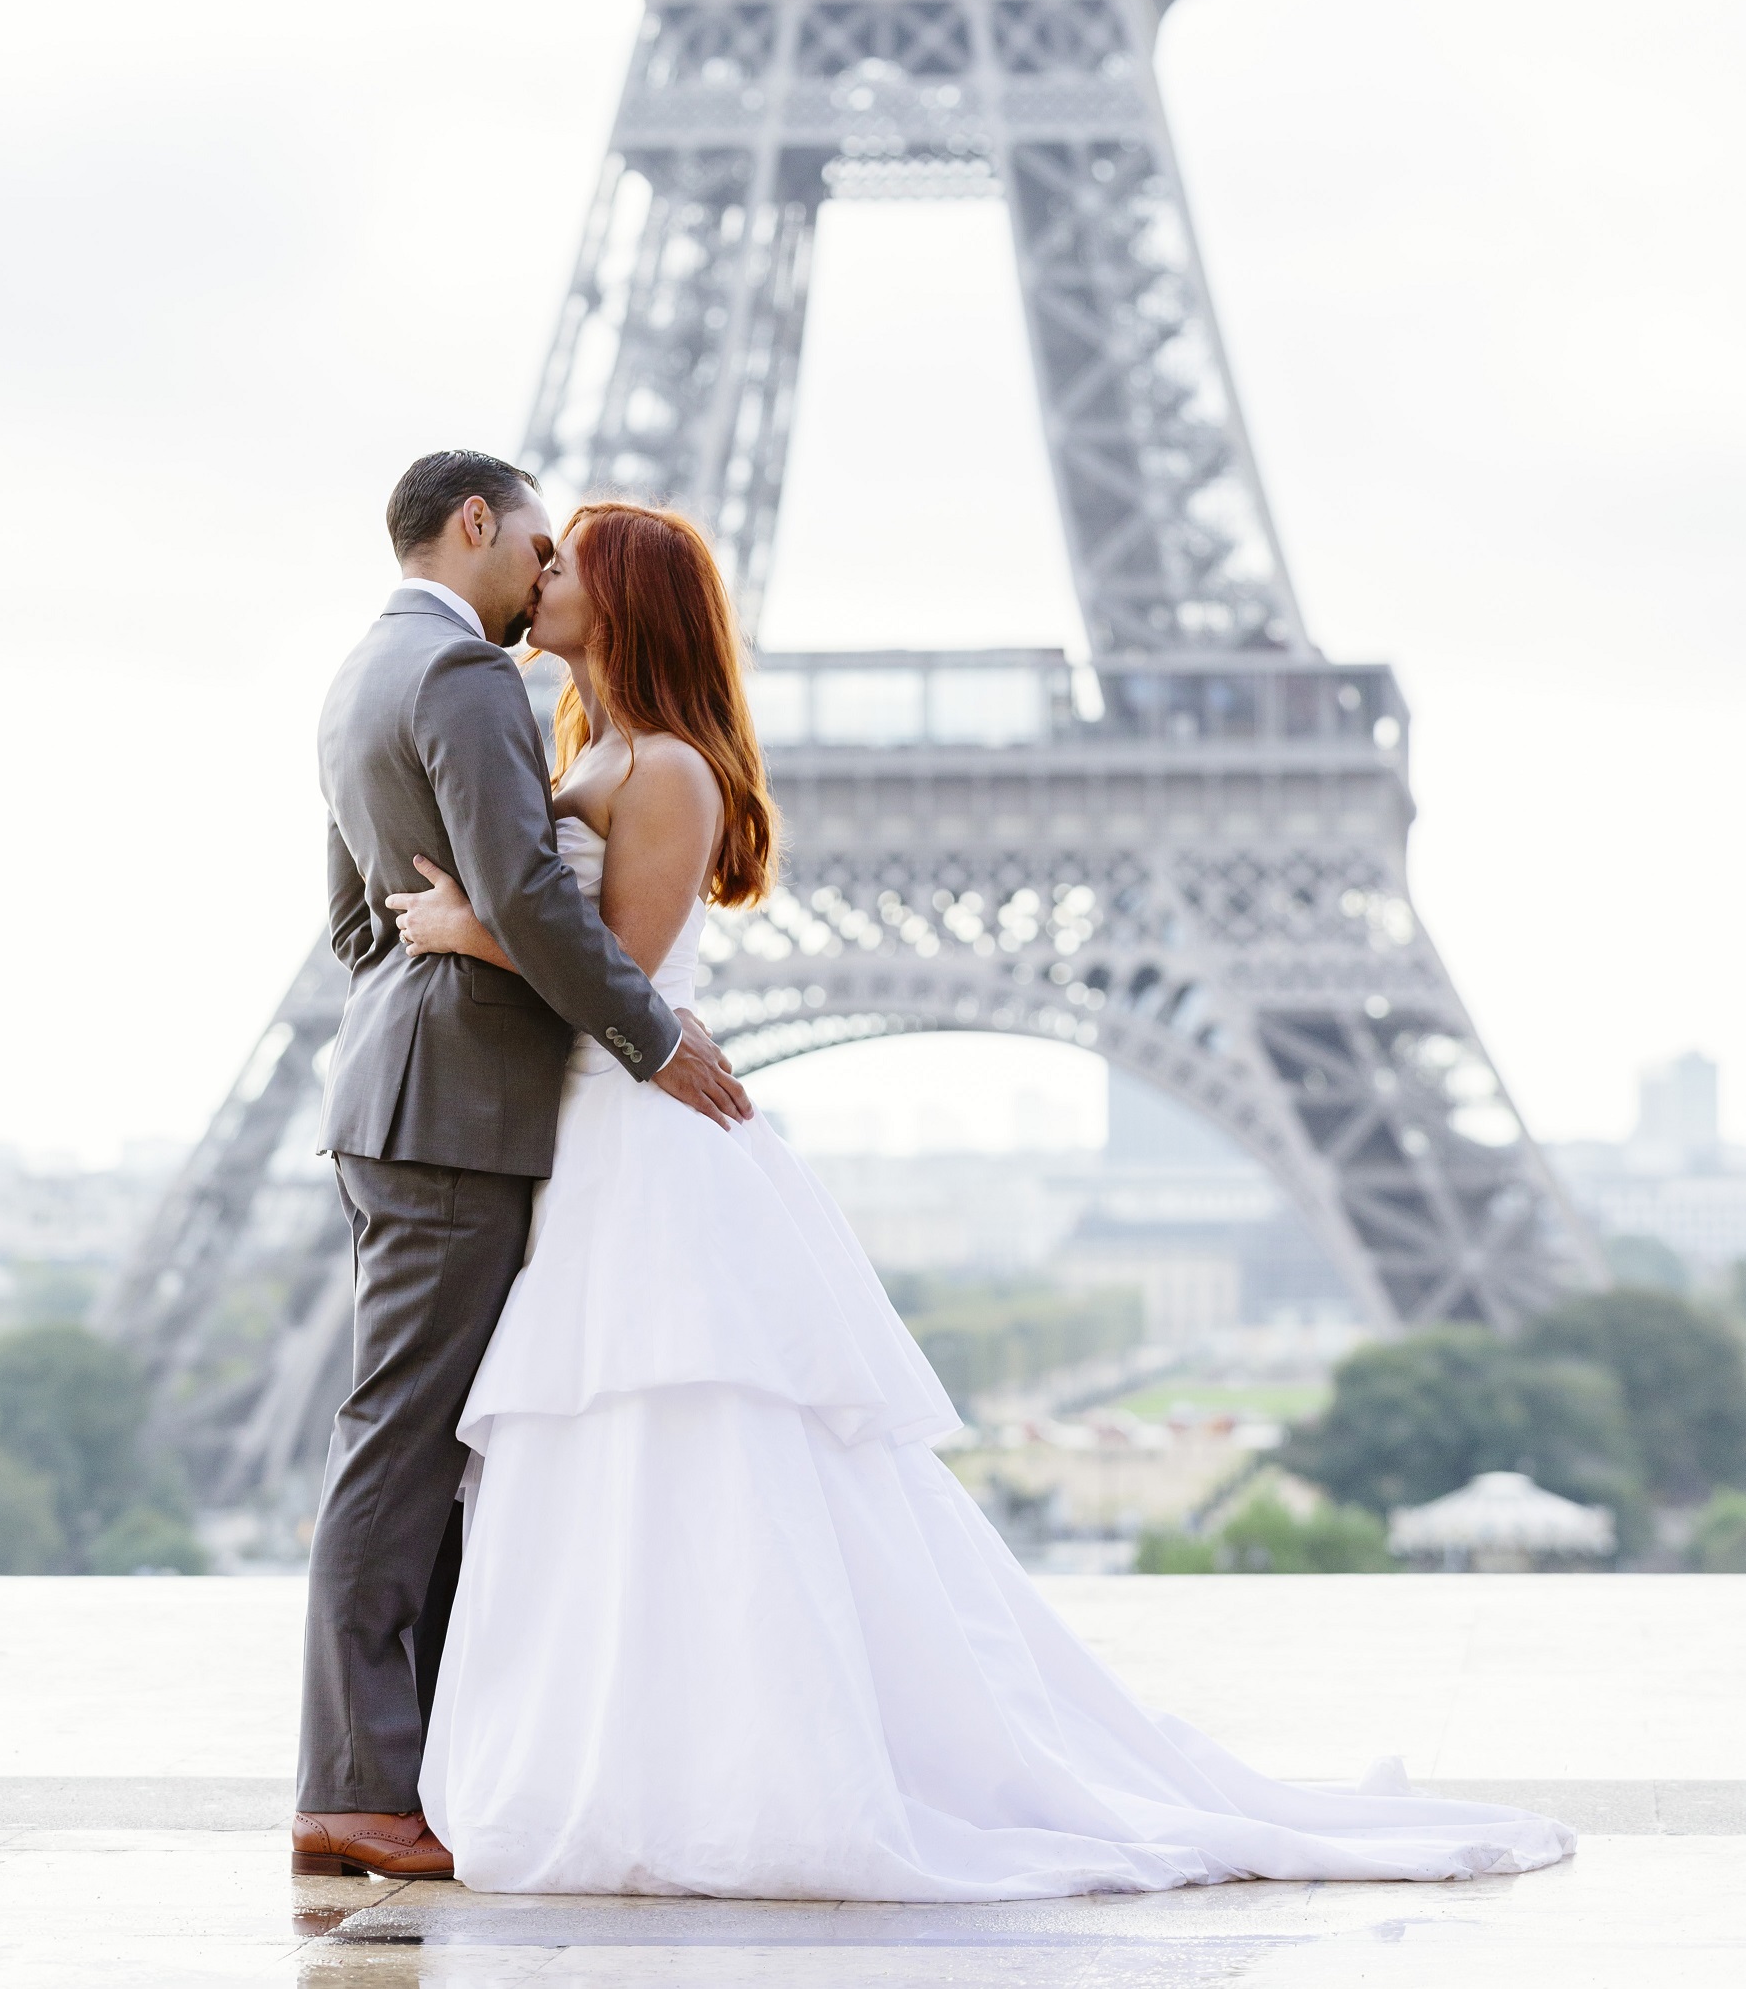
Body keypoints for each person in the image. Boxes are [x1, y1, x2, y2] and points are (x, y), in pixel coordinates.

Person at [391, 497, 1576, 1898]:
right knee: (629, 1450)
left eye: (569, 560)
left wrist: (474, 927)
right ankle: (653, 1763)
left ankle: (707, 1773)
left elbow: (622, 988)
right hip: (607, 1150)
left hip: (644, 1142)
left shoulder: (663, 772)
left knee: (673, 1445)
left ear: (631, 598)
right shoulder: (583, 742)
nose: (543, 571)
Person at [291, 453, 749, 1884]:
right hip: (460, 1109)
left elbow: (364, 921)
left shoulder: (361, 674)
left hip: (412, 1090)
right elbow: (530, 896)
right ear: (478, 525)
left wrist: (426, 988)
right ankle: (357, 1783)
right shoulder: (476, 683)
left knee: (425, 1439)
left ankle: (400, 1767)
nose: (544, 575)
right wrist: (648, 1031)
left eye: (567, 563)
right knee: (409, 1441)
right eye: (538, 546)